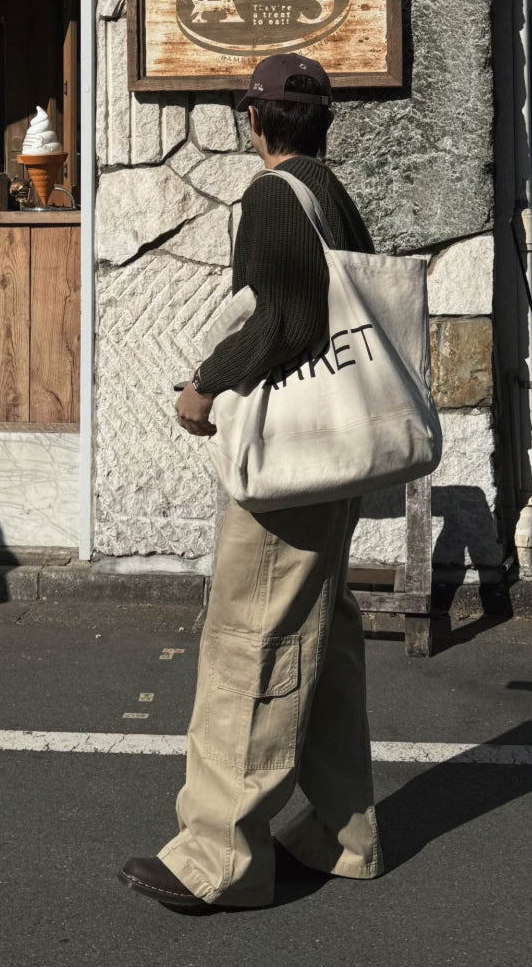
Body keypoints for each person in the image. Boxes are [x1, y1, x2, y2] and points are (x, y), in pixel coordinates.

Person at [119, 53, 383, 910]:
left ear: (253, 117)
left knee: (251, 635)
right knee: (323, 636)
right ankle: (341, 832)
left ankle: (220, 852)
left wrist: (206, 384)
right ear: (323, 121)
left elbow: (286, 319)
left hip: (287, 462)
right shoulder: (332, 194)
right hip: (338, 450)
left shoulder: (272, 195)